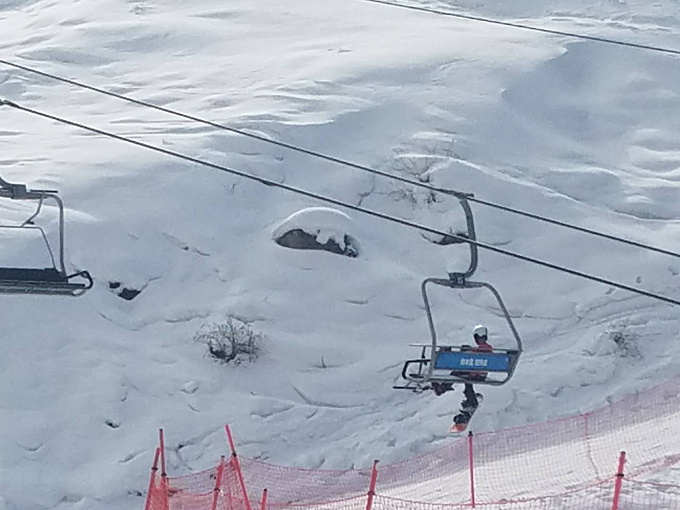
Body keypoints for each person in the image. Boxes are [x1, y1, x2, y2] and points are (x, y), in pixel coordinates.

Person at [432, 324, 494, 425]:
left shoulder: (483, 349)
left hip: (476, 374)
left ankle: (444, 387)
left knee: (457, 373)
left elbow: (475, 357)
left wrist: (467, 351)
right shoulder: (488, 348)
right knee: (463, 377)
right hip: (480, 374)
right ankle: (469, 397)